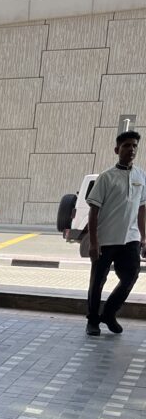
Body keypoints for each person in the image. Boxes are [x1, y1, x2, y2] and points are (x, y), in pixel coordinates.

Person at [86, 129, 146, 336]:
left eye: (134, 146)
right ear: (117, 149)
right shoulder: (106, 177)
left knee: (131, 276)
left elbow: (142, 209)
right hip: (105, 240)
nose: (131, 149)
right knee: (97, 282)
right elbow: (93, 212)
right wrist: (94, 243)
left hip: (130, 239)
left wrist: (143, 238)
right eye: (126, 146)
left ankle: (109, 313)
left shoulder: (140, 175)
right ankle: (93, 321)